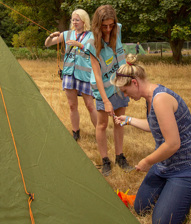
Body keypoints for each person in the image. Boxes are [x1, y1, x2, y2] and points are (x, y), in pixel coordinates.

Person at [111, 54, 191, 224]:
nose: (126, 96)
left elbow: (172, 144)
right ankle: (174, 190)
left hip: (187, 166)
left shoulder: (160, 99)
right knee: (141, 207)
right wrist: (129, 119)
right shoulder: (149, 99)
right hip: (165, 165)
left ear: (134, 83)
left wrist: (147, 161)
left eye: (125, 92)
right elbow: (155, 125)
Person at [84, 5, 133, 176]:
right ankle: (105, 160)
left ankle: (120, 157)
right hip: (103, 88)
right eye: (104, 26)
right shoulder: (91, 43)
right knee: (102, 124)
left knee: (119, 121)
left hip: (119, 85)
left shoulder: (117, 30)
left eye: (110, 25)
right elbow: (97, 75)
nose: (108, 29)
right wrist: (105, 100)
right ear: (97, 25)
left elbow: (121, 58)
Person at [45, 9, 97, 141]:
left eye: (77, 20)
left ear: (84, 21)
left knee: (90, 105)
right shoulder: (67, 34)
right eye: (72, 20)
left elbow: (93, 52)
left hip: (84, 75)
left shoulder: (91, 36)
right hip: (69, 73)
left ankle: (99, 131)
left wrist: (79, 45)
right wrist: (52, 36)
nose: (74, 22)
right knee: (72, 105)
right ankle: (75, 132)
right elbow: (48, 44)